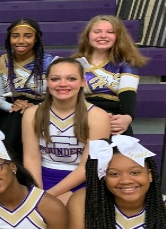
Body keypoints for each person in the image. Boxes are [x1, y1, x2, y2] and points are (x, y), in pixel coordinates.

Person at [22, 57, 110, 203]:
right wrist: (37, 192)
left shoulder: (97, 116)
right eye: (55, 79)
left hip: (80, 181)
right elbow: (31, 158)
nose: (63, 84)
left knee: (63, 212)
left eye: (71, 78)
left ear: (82, 82)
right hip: (41, 179)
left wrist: (48, 196)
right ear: (47, 82)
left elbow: (88, 167)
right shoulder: (32, 113)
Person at [0, 18, 56, 160]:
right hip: (9, 110)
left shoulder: (51, 63)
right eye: (15, 36)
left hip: (43, 108)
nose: (21, 41)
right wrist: (13, 106)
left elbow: (58, 95)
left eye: (28, 36)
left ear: (36, 39)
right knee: (18, 115)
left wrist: (35, 107)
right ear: (9, 39)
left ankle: (0, 159)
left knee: (22, 115)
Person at [72, 15, 147, 136]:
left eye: (110, 32)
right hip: (79, 115)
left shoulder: (126, 63)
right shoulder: (74, 63)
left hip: (113, 118)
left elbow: (127, 93)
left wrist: (127, 117)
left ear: (118, 37)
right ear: (88, 36)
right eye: (97, 31)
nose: (103, 36)